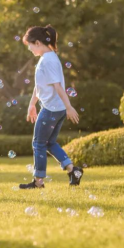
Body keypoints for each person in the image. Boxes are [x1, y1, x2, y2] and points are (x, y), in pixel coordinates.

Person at [19, 24, 84, 189]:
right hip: (56, 108)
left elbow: (57, 86)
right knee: (49, 143)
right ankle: (73, 170)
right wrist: (32, 104)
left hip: (52, 109)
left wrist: (69, 106)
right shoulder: (49, 58)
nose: (30, 49)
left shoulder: (48, 60)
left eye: (30, 45)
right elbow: (40, 85)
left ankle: (38, 182)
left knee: (38, 143)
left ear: (38, 43)